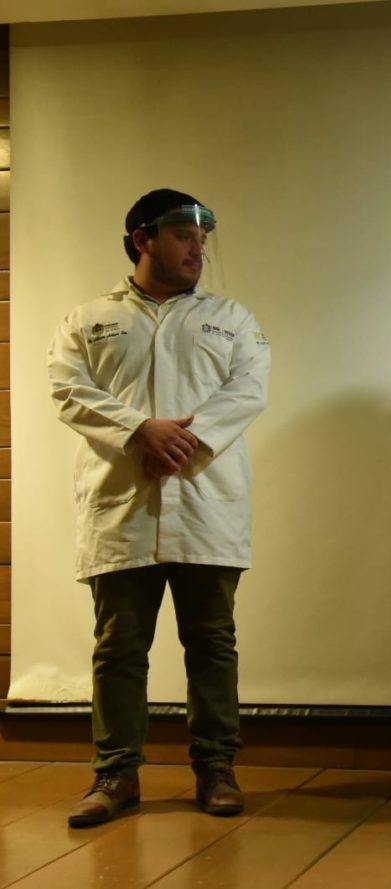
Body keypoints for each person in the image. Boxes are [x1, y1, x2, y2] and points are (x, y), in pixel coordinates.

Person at [48, 189, 271, 827]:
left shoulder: (232, 319)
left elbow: (248, 390)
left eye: (203, 236)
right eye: (183, 235)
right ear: (142, 239)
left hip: (207, 505)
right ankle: (116, 774)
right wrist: (138, 430)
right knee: (119, 646)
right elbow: (68, 388)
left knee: (212, 642)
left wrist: (179, 442)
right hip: (122, 508)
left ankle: (216, 768)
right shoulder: (89, 319)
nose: (198, 248)